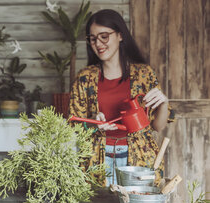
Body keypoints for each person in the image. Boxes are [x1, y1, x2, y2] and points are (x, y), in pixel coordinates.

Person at [69, 9, 175, 186]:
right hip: (96, 161)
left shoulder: (143, 74)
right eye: (93, 39)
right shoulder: (84, 78)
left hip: (139, 160)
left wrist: (164, 103)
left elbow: (158, 126)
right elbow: (73, 125)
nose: (98, 44)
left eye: (104, 36)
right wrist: (93, 123)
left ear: (120, 35)